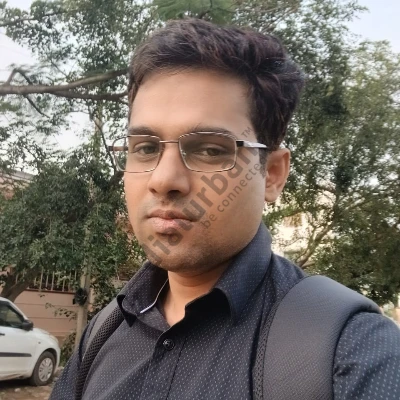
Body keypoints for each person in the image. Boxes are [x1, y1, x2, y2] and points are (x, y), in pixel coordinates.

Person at [51, 18, 400, 400]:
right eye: (146, 148)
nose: (164, 179)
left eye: (210, 149)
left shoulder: (351, 352)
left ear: (272, 174)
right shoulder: (103, 334)